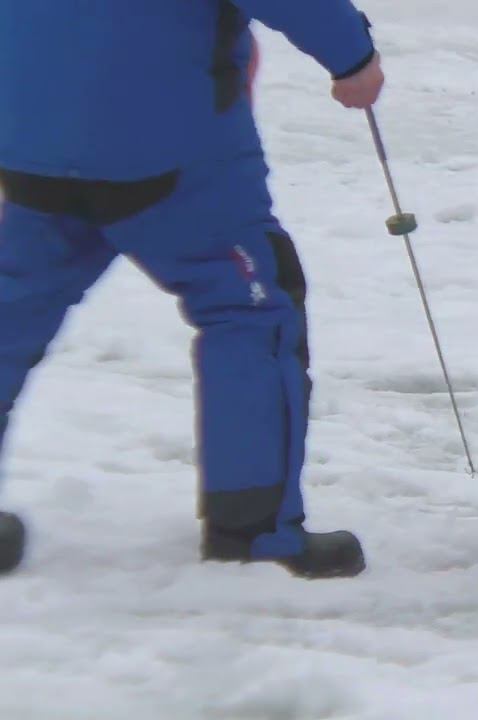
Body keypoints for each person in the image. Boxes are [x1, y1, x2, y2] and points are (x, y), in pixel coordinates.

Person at [0, 1, 386, 578]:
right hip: (164, 150)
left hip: (31, 140)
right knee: (248, 309)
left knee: (10, 309)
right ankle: (253, 533)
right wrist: (352, 56)